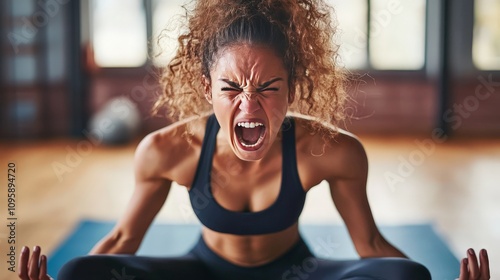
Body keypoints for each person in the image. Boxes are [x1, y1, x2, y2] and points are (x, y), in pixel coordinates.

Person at [18, 0, 490, 279]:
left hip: (295, 271)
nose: (249, 105)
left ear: (293, 86)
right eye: (231, 89)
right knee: (80, 272)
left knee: (410, 276)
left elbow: (368, 242)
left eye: (268, 88)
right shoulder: (166, 150)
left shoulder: (332, 150)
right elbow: (123, 239)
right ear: (206, 88)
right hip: (202, 272)